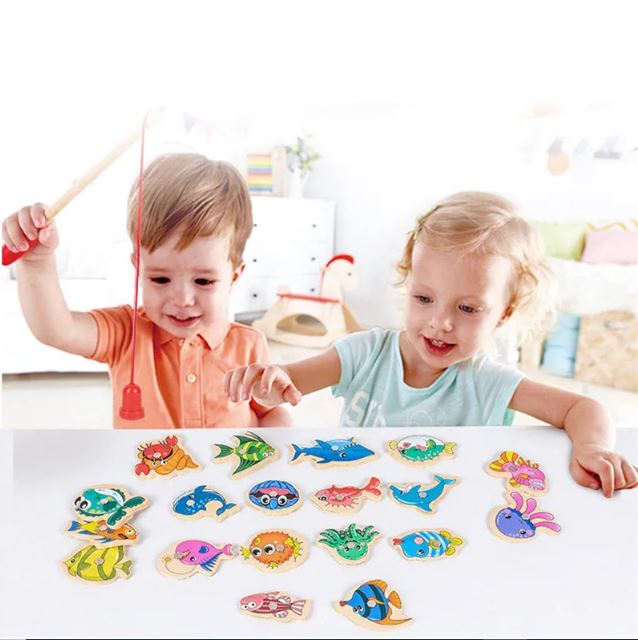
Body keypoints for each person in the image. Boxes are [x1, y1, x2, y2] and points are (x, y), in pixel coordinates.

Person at [224, 191, 638, 496]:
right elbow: (288, 380)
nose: (440, 323)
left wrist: (593, 447)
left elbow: (584, 408)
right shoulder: (365, 353)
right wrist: (270, 379)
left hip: (452, 516)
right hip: (359, 500)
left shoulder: (488, 381)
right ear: (409, 284)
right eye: (424, 299)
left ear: (504, 314)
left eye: (468, 309)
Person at [3, 153, 291, 428]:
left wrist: (278, 449)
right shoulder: (125, 333)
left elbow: (271, 413)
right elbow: (57, 330)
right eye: (160, 279)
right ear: (139, 268)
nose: (182, 299)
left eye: (203, 281)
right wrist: (37, 263)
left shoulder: (250, 344)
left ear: (234, 276)